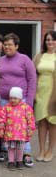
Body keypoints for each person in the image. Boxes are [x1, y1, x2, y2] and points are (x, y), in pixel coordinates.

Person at [0, 33, 37, 166]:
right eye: (5, 45)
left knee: (22, 127)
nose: (7, 47)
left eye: (10, 45)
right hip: (3, 100)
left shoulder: (25, 60)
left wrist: (29, 101)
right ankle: (6, 150)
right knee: (5, 125)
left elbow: (32, 79)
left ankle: (26, 153)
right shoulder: (1, 60)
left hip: (21, 101)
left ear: (16, 46)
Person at [0, 87, 35, 170]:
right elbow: (2, 118)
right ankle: (11, 162)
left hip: (21, 134)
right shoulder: (7, 107)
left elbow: (30, 119)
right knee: (11, 148)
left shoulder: (25, 107)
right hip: (10, 133)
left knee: (20, 148)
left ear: (20, 98)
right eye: (11, 98)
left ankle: (19, 161)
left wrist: (31, 129)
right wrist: (1, 129)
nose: (12, 100)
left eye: (15, 98)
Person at [33, 30, 56, 162]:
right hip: (40, 92)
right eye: (48, 40)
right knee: (42, 122)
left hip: (53, 93)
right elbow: (33, 73)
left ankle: (50, 151)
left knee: (53, 123)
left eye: (53, 40)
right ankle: (41, 150)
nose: (50, 42)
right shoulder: (39, 56)